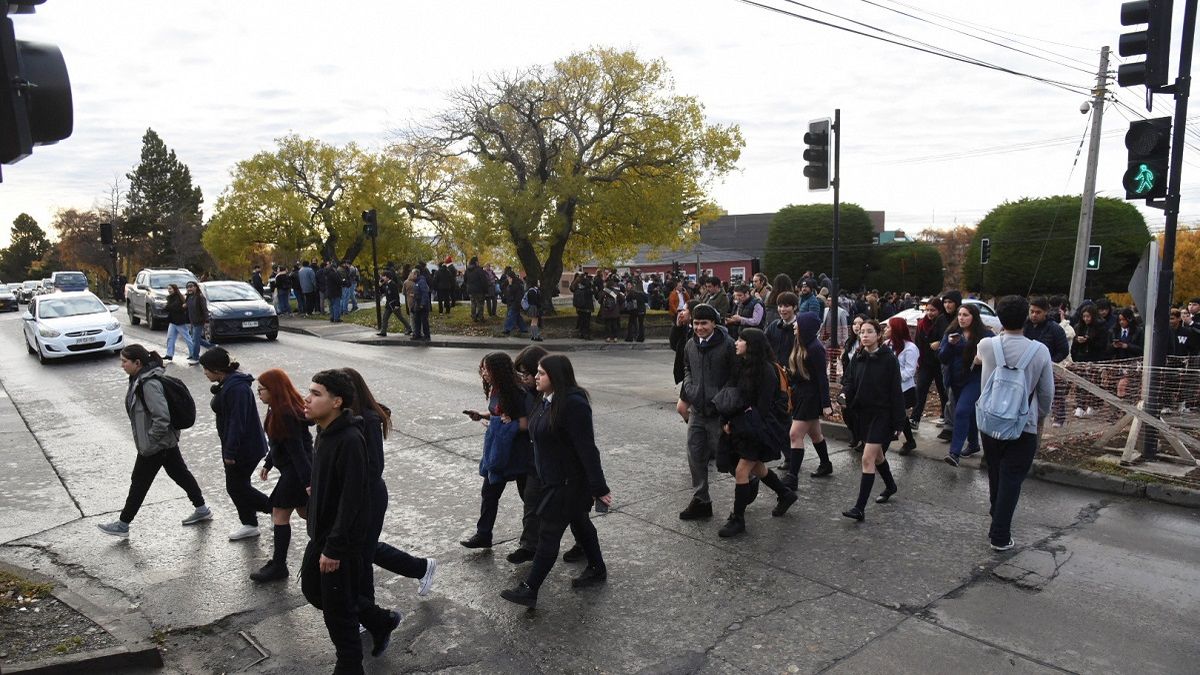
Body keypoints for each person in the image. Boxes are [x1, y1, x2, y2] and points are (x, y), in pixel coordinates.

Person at [301, 369, 400, 672]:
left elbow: (352, 498)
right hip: (322, 536)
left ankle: (349, 665)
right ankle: (379, 620)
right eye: (310, 391)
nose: (307, 399)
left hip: (338, 541)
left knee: (337, 610)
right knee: (314, 591)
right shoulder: (324, 433)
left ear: (336, 402)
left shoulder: (349, 438)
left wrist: (335, 547)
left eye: (316, 394)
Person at [499, 355, 612, 608]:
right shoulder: (545, 400)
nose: (535, 377)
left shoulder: (573, 404)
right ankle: (597, 567)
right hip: (549, 479)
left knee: (548, 533)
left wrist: (599, 488)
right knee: (580, 523)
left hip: (568, 482)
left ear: (556, 376)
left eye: (541, 373)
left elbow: (587, 448)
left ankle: (530, 588)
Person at [340, 368, 439, 608]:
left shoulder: (369, 419)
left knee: (362, 553)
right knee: (364, 548)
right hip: (351, 497)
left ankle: (366, 611)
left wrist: (348, 487)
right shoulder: (339, 418)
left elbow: (375, 467)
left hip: (369, 498)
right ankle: (421, 567)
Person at [97, 344, 211, 537]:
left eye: (125, 362)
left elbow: (161, 417)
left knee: (139, 482)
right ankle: (202, 509)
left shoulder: (149, 384)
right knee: (180, 474)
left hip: (157, 445)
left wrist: (151, 439)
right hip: (164, 443)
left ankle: (123, 524)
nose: (122, 365)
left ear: (138, 363)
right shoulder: (138, 379)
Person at [977, 296, 1054, 551]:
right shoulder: (1039, 351)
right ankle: (1000, 534)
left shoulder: (987, 345)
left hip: (990, 421)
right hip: (1023, 424)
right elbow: (1046, 393)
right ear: (1026, 318)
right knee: (1012, 478)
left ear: (999, 318)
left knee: (996, 473)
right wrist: (1039, 414)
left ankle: (995, 515)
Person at [713, 328, 797, 537]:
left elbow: (762, 407)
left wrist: (739, 421)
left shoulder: (766, 371)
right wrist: (727, 419)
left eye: (741, 340)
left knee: (743, 471)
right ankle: (785, 493)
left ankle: (738, 519)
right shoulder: (741, 365)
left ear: (751, 345)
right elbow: (732, 395)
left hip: (757, 429)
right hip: (741, 426)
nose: (736, 343)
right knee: (757, 468)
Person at [460, 352, 535, 555]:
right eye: (482, 368)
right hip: (499, 451)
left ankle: (530, 544)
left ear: (499, 370)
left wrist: (506, 424)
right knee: (489, 492)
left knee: (527, 498)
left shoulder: (520, 392)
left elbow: (530, 421)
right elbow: (499, 414)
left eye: (487, 369)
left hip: (519, 453)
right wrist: (482, 415)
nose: (483, 373)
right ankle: (484, 534)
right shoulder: (495, 388)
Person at [199, 348, 271, 541]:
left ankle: (274, 509)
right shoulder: (227, 384)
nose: (204, 372)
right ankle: (250, 522)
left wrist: (230, 452)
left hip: (244, 449)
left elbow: (237, 422)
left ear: (217, 369)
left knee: (236, 487)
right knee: (239, 485)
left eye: (206, 369)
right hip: (239, 446)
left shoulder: (237, 388)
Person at [837, 320, 904, 521]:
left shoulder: (889, 359)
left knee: (867, 458)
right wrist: (844, 394)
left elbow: (895, 392)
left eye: (869, 332)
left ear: (878, 335)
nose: (864, 335)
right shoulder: (858, 357)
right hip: (863, 414)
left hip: (882, 415)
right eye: (862, 332)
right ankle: (891, 486)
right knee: (877, 456)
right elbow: (848, 381)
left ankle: (859, 508)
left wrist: (899, 422)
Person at [250, 368, 312, 582]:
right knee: (308, 514)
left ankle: (279, 565)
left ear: (274, 390)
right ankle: (336, 541)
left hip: (296, 472)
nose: (259, 393)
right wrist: (268, 462)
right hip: (292, 470)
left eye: (261, 389)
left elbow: (298, 450)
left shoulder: (285, 413)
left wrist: (307, 481)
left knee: (280, 514)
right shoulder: (276, 408)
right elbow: (278, 443)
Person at [678, 303, 736, 520]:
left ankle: (747, 482)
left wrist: (722, 400)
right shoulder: (690, 345)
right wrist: (690, 388)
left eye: (704, 323)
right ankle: (701, 499)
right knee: (695, 454)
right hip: (697, 411)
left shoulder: (728, 345)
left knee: (726, 458)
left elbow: (734, 376)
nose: (699, 327)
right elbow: (687, 368)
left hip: (719, 412)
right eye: (696, 323)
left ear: (714, 323)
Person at [939, 303, 995, 466]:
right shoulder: (951, 333)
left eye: (966, 315)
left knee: (961, 411)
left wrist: (981, 359)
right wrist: (950, 344)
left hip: (975, 379)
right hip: (956, 380)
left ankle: (954, 453)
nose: (961, 318)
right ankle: (973, 444)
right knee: (968, 413)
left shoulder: (985, 334)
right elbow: (942, 357)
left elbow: (995, 353)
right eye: (960, 315)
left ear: (974, 317)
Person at [786, 312, 833, 484]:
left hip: (810, 396)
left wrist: (826, 404)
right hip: (801, 394)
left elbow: (822, 377)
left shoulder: (815, 348)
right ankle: (826, 464)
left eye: (797, 323)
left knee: (794, 434)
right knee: (815, 434)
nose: (794, 325)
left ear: (805, 326)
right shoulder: (801, 342)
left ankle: (792, 477)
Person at [1024, 297, 1070, 427]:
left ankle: (1054, 418)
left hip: (1046, 369)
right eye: (1031, 311)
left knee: (1048, 396)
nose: (1034, 315)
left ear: (1045, 312)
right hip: (1025, 369)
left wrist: (1049, 363)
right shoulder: (1024, 326)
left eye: (1038, 312)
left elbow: (1063, 350)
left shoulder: (1055, 329)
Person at [911, 297, 949, 432]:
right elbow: (918, 343)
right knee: (920, 389)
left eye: (933, 310)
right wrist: (917, 360)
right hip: (925, 362)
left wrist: (939, 343)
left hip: (939, 362)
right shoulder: (922, 324)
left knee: (943, 391)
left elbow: (946, 338)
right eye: (927, 310)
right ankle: (915, 418)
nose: (930, 313)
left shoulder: (943, 322)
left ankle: (945, 415)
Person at [886, 316, 920, 454]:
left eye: (888, 327)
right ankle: (909, 441)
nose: (885, 329)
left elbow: (910, 371)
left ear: (896, 329)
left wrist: (894, 379)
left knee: (898, 414)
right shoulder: (887, 344)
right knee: (900, 415)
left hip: (904, 389)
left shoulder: (910, 348)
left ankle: (891, 438)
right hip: (888, 387)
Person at [1071, 304, 1109, 418]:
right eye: (1084, 316)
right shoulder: (1079, 327)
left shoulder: (1101, 327)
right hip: (1081, 358)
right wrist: (1078, 342)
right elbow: (1074, 345)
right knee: (1080, 383)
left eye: (1088, 316)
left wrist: (1089, 341)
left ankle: (1093, 405)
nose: (1086, 319)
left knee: (1094, 382)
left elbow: (1102, 345)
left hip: (1095, 358)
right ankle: (1080, 405)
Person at [184, 281, 214, 366]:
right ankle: (212, 346)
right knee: (196, 339)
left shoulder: (200, 297)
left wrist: (206, 321)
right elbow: (187, 307)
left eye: (191, 286)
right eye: (188, 287)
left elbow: (205, 309)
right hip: (193, 321)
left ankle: (195, 358)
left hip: (199, 321)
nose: (189, 288)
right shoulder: (189, 297)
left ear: (196, 287)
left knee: (195, 340)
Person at [376, 270, 411, 337]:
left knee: (400, 317)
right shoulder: (386, 284)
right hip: (388, 305)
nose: (382, 278)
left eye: (383, 276)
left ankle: (409, 328)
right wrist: (380, 286)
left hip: (393, 304)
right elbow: (382, 292)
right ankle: (383, 331)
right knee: (385, 317)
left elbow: (396, 295)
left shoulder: (393, 284)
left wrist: (397, 305)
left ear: (387, 277)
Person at [162, 284, 193, 362]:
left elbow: (174, 307)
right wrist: (167, 307)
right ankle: (169, 354)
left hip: (179, 321)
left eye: (170, 289)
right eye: (168, 289)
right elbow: (169, 307)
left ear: (175, 289)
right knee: (170, 338)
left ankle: (193, 353)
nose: (169, 290)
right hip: (173, 321)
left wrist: (167, 307)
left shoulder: (178, 298)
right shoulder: (171, 297)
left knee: (187, 338)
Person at [598, 279, 624, 343]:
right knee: (615, 324)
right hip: (615, 310)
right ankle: (615, 337)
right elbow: (622, 299)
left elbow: (599, 301)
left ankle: (608, 337)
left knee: (607, 325)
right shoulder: (616, 291)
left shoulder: (604, 291)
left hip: (606, 310)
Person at [571, 272, 595, 340]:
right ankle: (586, 334)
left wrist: (576, 280)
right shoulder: (588, 283)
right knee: (586, 321)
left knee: (581, 320)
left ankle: (581, 333)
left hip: (580, 306)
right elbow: (593, 291)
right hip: (587, 306)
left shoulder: (577, 285)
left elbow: (571, 288)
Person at [411, 264, 432, 341]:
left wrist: (422, 304)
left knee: (424, 320)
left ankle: (427, 335)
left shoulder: (421, 281)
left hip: (422, 305)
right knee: (417, 320)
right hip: (417, 304)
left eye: (412, 274)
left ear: (416, 274)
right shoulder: (416, 282)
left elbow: (424, 293)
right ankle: (417, 334)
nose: (411, 275)